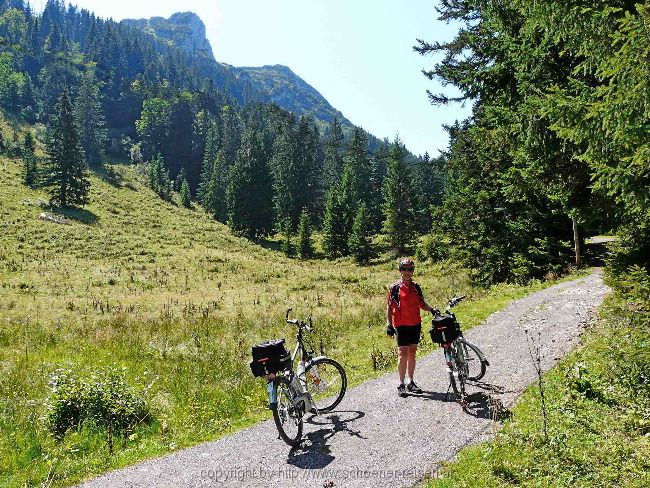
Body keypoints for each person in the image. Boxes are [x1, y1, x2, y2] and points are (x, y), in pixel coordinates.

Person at [386, 257, 434, 397]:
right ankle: (401, 384)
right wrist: (389, 325)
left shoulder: (416, 287)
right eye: (404, 269)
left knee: (412, 352)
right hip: (401, 325)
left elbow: (421, 304)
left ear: (413, 271)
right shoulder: (394, 288)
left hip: (415, 324)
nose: (407, 272)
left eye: (410, 269)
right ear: (400, 270)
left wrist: (431, 310)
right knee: (402, 353)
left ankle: (410, 382)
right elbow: (389, 308)